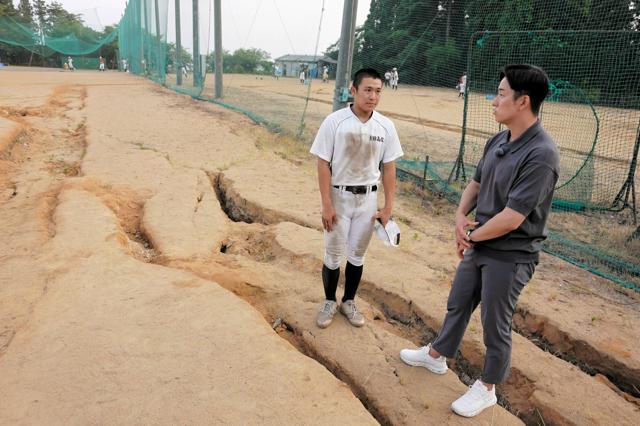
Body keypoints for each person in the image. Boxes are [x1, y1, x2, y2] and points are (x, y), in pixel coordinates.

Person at [400, 64, 559, 418]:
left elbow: (513, 218)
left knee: (494, 322)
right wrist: (460, 218)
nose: (493, 100)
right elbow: (476, 183)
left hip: (511, 253)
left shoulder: (542, 154)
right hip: (481, 241)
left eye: (501, 94)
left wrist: (470, 234)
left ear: (523, 102)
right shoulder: (499, 140)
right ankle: (437, 356)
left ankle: (487, 388)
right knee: (458, 301)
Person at [310, 68, 403, 329]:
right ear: (354, 90)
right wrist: (326, 205)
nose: (373, 96)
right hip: (340, 197)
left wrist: (388, 207)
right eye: (367, 90)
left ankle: (348, 301)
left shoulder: (385, 126)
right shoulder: (335, 122)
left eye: (378, 91)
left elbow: (390, 168)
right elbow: (322, 163)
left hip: (368, 201)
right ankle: (329, 300)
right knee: (333, 254)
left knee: (357, 255)